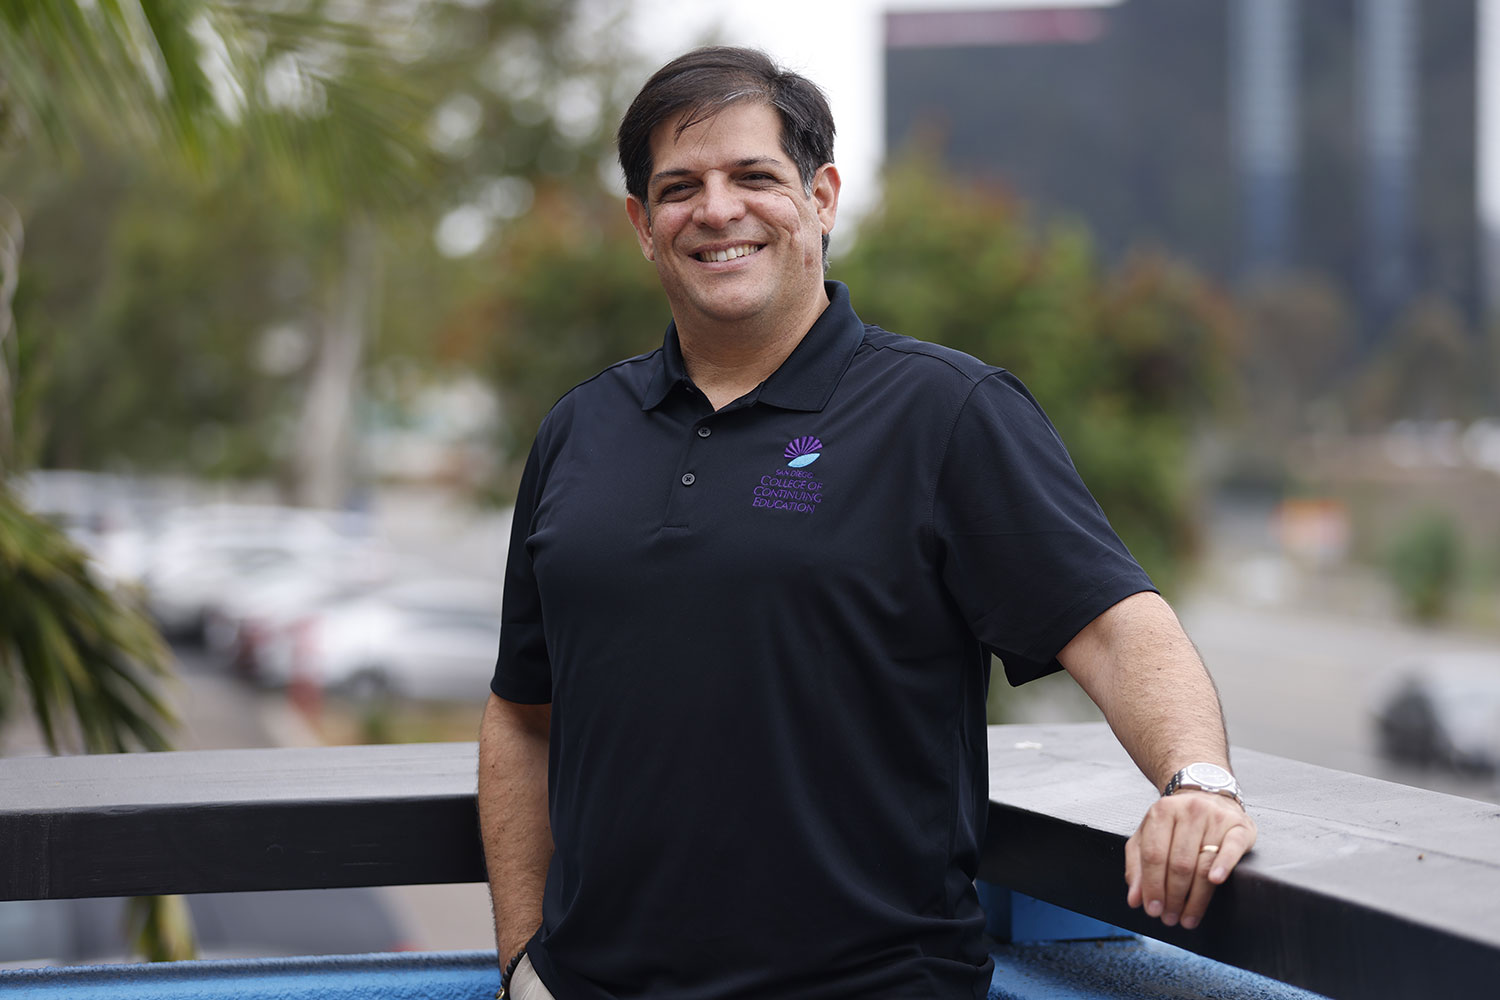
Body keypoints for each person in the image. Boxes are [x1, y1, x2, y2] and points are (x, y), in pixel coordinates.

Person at [478, 46, 1257, 1000]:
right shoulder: (579, 430)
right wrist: (522, 963)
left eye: (754, 176)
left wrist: (1197, 782)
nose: (718, 210)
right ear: (643, 225)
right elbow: (523, 713)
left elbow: (1113, 623)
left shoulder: (945, 412)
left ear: (822, 197)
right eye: (680, 187)